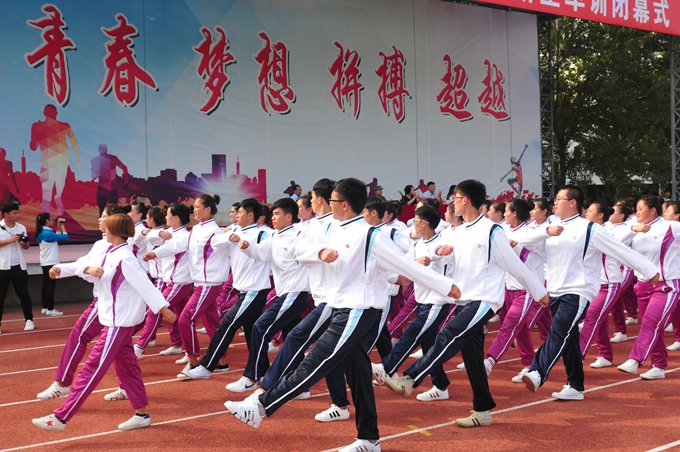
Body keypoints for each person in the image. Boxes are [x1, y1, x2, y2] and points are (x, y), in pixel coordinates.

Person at [224, 178, 461, 452]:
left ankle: (261, 407)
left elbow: (406, 266)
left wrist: (445, 286)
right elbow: (297, 248)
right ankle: (369, 439)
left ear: (345, 204)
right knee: (359, 376)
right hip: (339, 309)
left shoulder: (372, 235)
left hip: (358, 312)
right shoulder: (329, 228)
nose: (327, 204)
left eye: (332, 200)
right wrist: (320, 251)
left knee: (316, 360)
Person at [385, 180, 548, 428]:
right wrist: (440, 253)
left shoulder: (492, 231)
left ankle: (410, 378)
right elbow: (445, 256)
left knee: (448, 333)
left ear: (465, 200)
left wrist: (538, 291)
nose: (452, 203)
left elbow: (514, 265)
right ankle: (482, 411)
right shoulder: (457, 232)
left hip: (484, 299)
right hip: (463, 299)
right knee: (472, 359)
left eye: (455, 198)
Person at [31, 214, 176, 432]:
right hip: (114, 321)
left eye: (107, 227)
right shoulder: (110, 252)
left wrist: (163, 308)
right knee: (128, 369)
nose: (104, 230)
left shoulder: (125, 258)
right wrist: (61, 269)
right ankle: (142, 414)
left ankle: (61, 417)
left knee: (91, 369)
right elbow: (85, 266)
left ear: (115, 231)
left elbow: (145, 285)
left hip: (119, 323)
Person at [519, 186, 658, 400]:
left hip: (578, 291)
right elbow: (524, 242)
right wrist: (546, 232)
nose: (554, 203)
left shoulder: (590, 229)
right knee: (569, 338)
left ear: (572, 202)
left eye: (559, 198)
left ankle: (537, 371)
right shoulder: (551, 228)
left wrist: (649, 270)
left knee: (558, 331)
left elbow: (620, 250)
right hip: (555, 291)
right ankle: (575, 386)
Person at [35, 205, 126, 401]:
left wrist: (159, 306)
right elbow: (83, 264)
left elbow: (96, 272)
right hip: (112, 304)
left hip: (107, 302)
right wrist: (60, 269)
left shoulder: (122, 247)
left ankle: (62, 383)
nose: (100, 219)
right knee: (122, 349)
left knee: (79, 335)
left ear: (114, 221)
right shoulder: (101, 244)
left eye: (104, 216)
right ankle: (129, 389)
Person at [180, 198, 271, 380]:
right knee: (253, 334)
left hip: (254, 292)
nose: (236, 216)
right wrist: (229, 237)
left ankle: (206, 366)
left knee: (226, 325)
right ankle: (262, 372)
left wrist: (248, 247)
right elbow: (215, 244)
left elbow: (265, 253)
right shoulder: (235, 231)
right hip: (244, 292)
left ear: (250, 215)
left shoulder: (264, 234)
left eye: (240, 213)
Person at [371, 205, 454, 402]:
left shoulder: (442, 244)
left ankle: (386, 367)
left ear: (424, 223)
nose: (412, 225)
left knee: (412, 333)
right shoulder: (417, 245)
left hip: (437, 302)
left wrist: (436, 253)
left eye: (415, 221)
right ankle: (440, 385)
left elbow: (439, 253)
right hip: (423, 301)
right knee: (429, 344)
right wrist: (396, 274)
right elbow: (404, 263)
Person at [617, 195, 680, 380]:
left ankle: (635, 359)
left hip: (666, 284)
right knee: (652, 326)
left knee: (651, 323)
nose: (636, 212)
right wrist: (632, 230)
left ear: (653, 210)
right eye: (635, 209)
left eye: (640, 208)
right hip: (642, 285)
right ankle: (658, 366)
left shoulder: (671, 226)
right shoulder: (633, 229)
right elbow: (615, 245)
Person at [483, 199, 545, 382]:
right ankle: (529, 365)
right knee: (521, 328)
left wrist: (516, 242)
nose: (504, 214)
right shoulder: (502, 230)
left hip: (525, 290)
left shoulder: (531, 233)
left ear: (515, 214)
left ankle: (490, 360)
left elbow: (540, 238)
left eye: (507, 211)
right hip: (508, 288)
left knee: (509, 325)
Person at [142, 203, 194, 358]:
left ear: (176, 217)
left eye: (168, 214)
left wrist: (154, 254)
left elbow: (172, 248)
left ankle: (140, 346)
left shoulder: (184, 235)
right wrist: (160, 233)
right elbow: (149, 235)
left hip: (179, 282)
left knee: (157, 308)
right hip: (170, 281)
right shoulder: (169, 232)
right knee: (181, 317)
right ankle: (179, 345)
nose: (165, 217)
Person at [30, 104, 81, 216]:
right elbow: (33, 146)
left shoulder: (63, 125)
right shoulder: (38, 126)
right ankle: (46, 218)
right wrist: (35, 134)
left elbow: (74, 141)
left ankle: (58, 207)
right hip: (47, 161)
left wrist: (77, 158)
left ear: (56, 114)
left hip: (61, 161)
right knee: (47, 192)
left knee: (58, 189)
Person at [0, 202, 33, 333]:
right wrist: (10, 240)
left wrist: (24, 244)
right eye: (14, 213)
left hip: (19, 266)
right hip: (2, 267)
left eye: (18, 212)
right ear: (6, 214)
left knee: (24, 294)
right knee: (0, 296)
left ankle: (29, 320)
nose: (17, 215)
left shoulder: (21, 227)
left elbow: (27, 246)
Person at [36, 213, 68, 317]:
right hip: (51, 262)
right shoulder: (47, 233)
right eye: (51, 219)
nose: (52, 221)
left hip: (45, 262)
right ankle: (50, 309)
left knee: (45, 285)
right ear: (46, 221)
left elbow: (56, 237)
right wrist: (62, 226)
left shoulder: (42, 232)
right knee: (50, 286)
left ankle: (45, 307)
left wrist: (58, 227)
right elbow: (65, 237)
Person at [91, 143, 129, 215]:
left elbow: (93, 175)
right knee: (111, 210)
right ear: (106, 150)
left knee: (104, 211)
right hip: (110, 188)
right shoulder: (111, 158)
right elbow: (124, 168)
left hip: (105, 188)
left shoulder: (96, 160)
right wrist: (125, 182)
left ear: (99, 150)